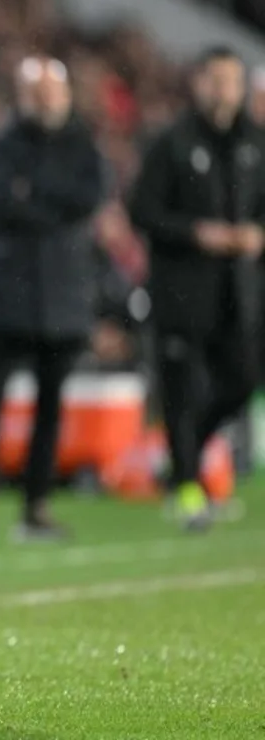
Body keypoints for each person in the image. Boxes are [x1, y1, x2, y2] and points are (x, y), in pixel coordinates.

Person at [0, 56, 105, 543]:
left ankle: (35, 508)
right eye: (36, 92)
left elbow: (90, 196)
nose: (45, 101)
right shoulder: (1, 142)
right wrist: (53, 204)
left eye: (51, 92)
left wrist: (33, 196)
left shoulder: (80, 141)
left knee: (50, 410)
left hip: (61, 296)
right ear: (21, 95)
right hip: (8, 294)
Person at [128, 46, 265, 531]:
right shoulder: (171, 142)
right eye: (216, 79)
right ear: (198, 84)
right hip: (182, 291)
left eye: (232, 79)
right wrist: (195, 233)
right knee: (180, 393)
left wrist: (257, 233)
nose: (224, 89)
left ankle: (182, 464)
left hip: (239, 292)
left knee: (242, 381)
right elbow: (141, 210)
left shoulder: (255, 141)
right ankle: (188, 488)